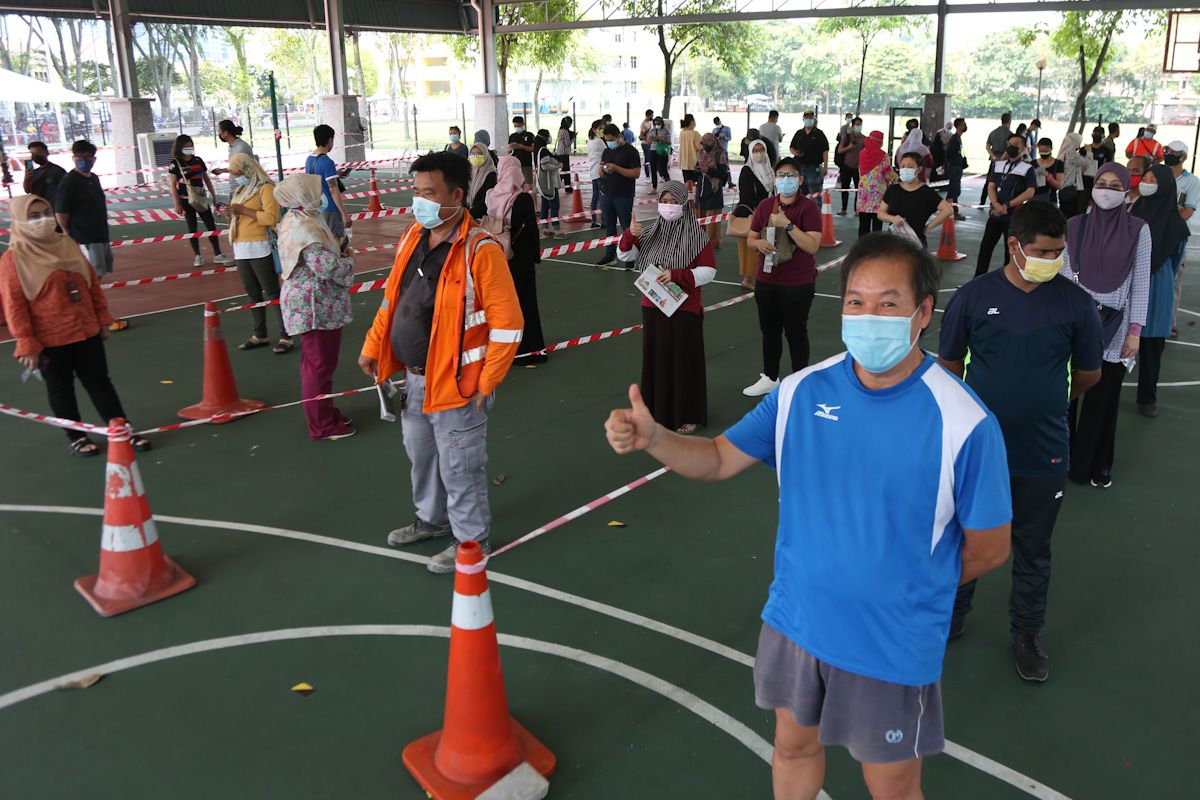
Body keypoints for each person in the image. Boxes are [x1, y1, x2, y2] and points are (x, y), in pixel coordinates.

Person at [605, 233, 1012, 800]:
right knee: (793, 748)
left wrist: (903, 586)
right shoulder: (799, 392)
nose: (869, 315)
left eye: (888, 303)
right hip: (797, 622)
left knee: (891, 785)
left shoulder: (965, 421)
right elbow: (720, 457)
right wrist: (656, 439)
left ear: (923, 313)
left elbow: (990, 547)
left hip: (891, 641)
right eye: (855, 301)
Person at [939, 201, 1102, 682]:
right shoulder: (973, 297)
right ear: (1014, 247)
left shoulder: (1076, 304)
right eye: (1044, 251)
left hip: (1043, 452)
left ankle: (1027, 636)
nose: (1054, 259)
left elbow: (1089, 375)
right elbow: (949, 365)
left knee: (1033, 549)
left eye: (1059, 251)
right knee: (963, 537)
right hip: (977, 450)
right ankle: (951, 616)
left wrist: (1043, 397)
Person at [359, 151, 524, 574]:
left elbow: (508, 325)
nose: (420, 201)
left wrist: (486, 383)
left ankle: (471, 540)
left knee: (460, 466)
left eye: (429, 193)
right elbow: (392, 302)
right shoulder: (413, 236)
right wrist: (375, 347)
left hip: (457, 385)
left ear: (456, 195)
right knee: (423, 456)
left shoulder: (479, 251)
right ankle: (431, 521)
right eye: (416, 192)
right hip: (416, 381)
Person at [0, 195, 151, 456]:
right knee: (61, 388)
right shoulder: (13, 260)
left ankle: (120, 428)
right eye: (34, 216)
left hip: (85, 330)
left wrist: (103, 318)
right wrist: (26, 342)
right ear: (20, 221)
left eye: (47, 213)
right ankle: (76, 437)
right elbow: (15, 306)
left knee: (100, 382)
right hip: (49, 339)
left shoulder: (67, 245)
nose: (44, 220)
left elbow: (91, 284)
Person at [1063, 163, 1151, 489]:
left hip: (1115, 327)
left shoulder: (1138, 230)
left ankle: (1097, 463)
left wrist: (1136, 332)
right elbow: (1061, 276)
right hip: (1074, 324)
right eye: (1102, 183)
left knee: (1103, 399)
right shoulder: (1074, 225)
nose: (1107, 190)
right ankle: (1062, 457)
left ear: (1127, 191)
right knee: (1066, 396)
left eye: (1116, 185)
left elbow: (1141, 283)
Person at [617, 180, 715, 433]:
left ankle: (688, 414)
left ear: (684, 205)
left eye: (674, 202)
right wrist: (629, 234)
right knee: (656, 359)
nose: (668, 206)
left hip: (684, 309)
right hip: (653, 306)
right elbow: (625, 256)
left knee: (684, 360)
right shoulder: (648, 232)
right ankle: (655, 412)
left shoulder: (697, 236)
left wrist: (678, 275)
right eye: (664, 201)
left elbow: (709, 271)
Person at [274, 174, 355, 440]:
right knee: (318, 366)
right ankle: (321, 424)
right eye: (315, 192)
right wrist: (349, 262)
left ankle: (326, 412)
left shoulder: (297, 219)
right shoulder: (304, 229)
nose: (321, 197)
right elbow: (326, 267)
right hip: (315, 305)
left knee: (318, 365)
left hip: (314, 303)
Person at [743, 157, 822, 397]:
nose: (785, 180)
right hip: (767, 280)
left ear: (799, 180)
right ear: (774, 180)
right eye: (781, 176)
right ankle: (770, 376)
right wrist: (759, 244)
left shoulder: (808, 208)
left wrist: (787, 224)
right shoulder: (765, 205)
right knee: (769, 331)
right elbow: (750, 238)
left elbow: (812, 246)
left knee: (796, 332)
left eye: (790, 176)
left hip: (797, 283)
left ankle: (800, 379)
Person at [1129, 163, 1188, 418]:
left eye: (1154, 179)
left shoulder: (1176, 224)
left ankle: (1147, 396)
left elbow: (1176, 260)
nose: (1148, 182)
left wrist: (1155, 272)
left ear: (1165, 185)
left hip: (1158, 286)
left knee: (1152, 344)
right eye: (1146, 177)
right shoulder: (1133, 211)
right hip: (1128, 281)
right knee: (1121, 338)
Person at [53, 140, 127, 332]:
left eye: (87, 157)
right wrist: (69, 235)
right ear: (73, 158)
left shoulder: (93, 178)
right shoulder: (69, 182)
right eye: (80, 157)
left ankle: (90, 316)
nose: (84, 161)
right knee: (88, 280)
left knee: (97, 277)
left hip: (100, 235)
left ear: (94, 158)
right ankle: (91, 317)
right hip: (83, 237)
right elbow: (61, 212)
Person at [224, 152, 288, 354]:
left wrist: (243, 211)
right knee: (252, 293)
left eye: (237, 172)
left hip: (261, 246)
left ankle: (286, 335)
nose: (235, 176)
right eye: (233, 173)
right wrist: (230, 214)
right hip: (241, 248)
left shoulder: (266, 188)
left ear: (246, 170)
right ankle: (260, 334)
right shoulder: (241, 190)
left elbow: (271, 217)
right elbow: (236, 218)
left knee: (272, 292)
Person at [487, 156, 547, 365]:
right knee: (525, 303)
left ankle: (504, 347)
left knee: (503, 304)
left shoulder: (492, 196)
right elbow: (531, 230)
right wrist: (535, 257)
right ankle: (529, 348)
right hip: (520, 257)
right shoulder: (522, 199)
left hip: (497, 255)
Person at [975, 133, 1036, 277]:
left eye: (1016, 145)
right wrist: (996, 204)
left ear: (1023, 148)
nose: (1012, 147)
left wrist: (1007, 205)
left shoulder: (1027, 168)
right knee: (985, 247)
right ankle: (978, 278)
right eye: (1010, 144)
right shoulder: (998, 164)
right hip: (995, 214)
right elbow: (991, 186)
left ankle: (1009, 279)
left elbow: (1030, 192)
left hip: (1013, 217)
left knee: (1010, 251)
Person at [167, 134, 228, 268]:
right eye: (186, 146)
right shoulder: (175, 163)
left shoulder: (198, 160)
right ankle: (197, 255)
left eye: (191, 146)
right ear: (180, 147)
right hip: (185, 200)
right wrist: (176, 203)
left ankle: (217, 253)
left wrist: (213, 195)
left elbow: (206, 178)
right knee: (192, 227)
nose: (189, 148)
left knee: (211, 225)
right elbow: (172, 184)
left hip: (200, 198)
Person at [878, 153, 953, 249]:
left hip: (916, 243)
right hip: (894, 242)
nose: (905, 169)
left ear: (919, 169)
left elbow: (948, 210)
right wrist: (891, 218)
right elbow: (881, 213)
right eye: (902, 166)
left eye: (910, 167)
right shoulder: (893, 190)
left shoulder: (926, 192)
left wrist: (929, 226)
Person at [1164, 140, 1198, 338]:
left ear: (1183, 157)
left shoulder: (1192, 182)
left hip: (1176, 237)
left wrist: (1171, 218)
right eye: (1166, 150)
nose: (1168, 154)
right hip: (1154, 234)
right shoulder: (1157, 176)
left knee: (1174, 279)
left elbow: (1188, 211)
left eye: (1172, 152)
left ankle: (1170, 323)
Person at [595, 124, 641, 267]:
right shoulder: (607, 151)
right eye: (606, 140)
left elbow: (636, 173)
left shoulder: (631, 151)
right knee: (609, 226)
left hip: (623, 194)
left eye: (611, 140)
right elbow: (601, 169)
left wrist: (616, 168)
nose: (609, 143)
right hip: (607, 193)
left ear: (618, 136)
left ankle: (629, 258)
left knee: (627, 227)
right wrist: (602, 171)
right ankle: (610, 255)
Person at [735, 139, 775, 290]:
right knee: (749, 249)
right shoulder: (747, 170)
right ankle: (747, 279)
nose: (759, 154)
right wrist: (762, 207)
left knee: (764, 247)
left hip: (767, 214)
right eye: (755, 151)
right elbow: (746, 194)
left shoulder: (769, 169)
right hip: (750, 214)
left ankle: (761, 276)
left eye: (761, 150)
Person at [305, 125, 352, 251]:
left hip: (317, 206)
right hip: (330, 208)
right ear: (330, 140)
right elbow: (333, 189)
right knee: (334, 243)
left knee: (321, 242)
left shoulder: (309, 160)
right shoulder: (327, 162)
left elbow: (317, 177)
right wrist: (344, 214)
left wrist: (336, 173)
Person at [855, 131, 894, 238]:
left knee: (863, 225)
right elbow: (889, 175)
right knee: (877, 225)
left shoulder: (862, 153)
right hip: (878, 195)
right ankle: (876, 248)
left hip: (864, 195)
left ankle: (862, 248)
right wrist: (898, 178)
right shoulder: (883, 156)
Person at [696, 132, 729, 248]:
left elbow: (723, 174)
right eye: (703, 143)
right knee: (702, 213)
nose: (704, 146)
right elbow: (698, 166)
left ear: (713, 143)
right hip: (702, 187)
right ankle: (701, 240)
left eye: (706, 143)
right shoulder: (702, 152)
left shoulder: (720, 154)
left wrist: (708, 170)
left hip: (714, 188)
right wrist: (698, 169)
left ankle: (713, 241)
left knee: (713, 214)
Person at [788, 111, 829, 197]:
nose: (808, 120)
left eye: (810, 118)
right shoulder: (799, 133)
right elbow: (792, 147)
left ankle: (816, 210)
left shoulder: (819, 133)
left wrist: (825, 166)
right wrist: (795, 152)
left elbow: (825, 151)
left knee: (815, 194)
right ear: (803, 119)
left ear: (814, 119)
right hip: (799, 166)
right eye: (806, 118)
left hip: (814, 167)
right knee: (800, 193)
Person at [534, 130, 564, 239]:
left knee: (545, 206)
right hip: (550, 183)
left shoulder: (538, 149)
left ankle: (545, 228)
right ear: (544, 138)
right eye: (548, 136)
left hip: (543, 184)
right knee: (555, 206)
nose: (549, 138)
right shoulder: (544, 151)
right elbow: (545, 166)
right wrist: (558, 166)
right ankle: (557, 230)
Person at [981, 113, 1013, 205]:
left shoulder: (993, 132)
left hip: (994, 160)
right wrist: (1003, 157)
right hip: (1004, 160)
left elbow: (987, 146)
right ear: (1009, 121)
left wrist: (994, 156)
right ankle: (999, 200)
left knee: (989, 180)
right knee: (1002, 181)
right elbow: (1009, 149)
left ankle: (982, 200)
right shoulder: (1010, 135)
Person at [836, 117, 864, 216]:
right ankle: (844, 208)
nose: (858, 126)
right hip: (846, 166)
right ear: (852, 125)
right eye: (857, 124)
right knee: (845, 188)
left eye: (860, 124)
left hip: (859, 168)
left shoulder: (864, 139)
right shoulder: (847, 137)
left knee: (859, 189)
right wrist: (849, 147)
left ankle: (857, 209)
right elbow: (840, 150)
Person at [1056, 133, 1089, 217]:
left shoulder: (1062, 153)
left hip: (1063, 188)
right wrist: (1088, 152)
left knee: (1063, 212)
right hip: (1071, 188)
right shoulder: (1071, 154)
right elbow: (1087, 162)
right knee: (1072, 213)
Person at [466, 140, 497, 222]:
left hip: (482, 217)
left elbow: (485, 201)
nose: (475, 156)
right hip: (468, 214)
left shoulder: (491, 174)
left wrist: (469, 214)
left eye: (479, 154)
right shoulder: (468, 172)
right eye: (472, 154)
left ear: (486, 155)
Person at [944, 118, 968, 220]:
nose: (964, 126)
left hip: (957, 166)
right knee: (954, 190)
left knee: (955, 190)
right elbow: (949, 153)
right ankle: (951, 211)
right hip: (955, 167)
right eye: (963, 125)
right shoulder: (955, 139)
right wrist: (952, 163)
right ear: (958, 126)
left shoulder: (958, 138)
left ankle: (950, 210)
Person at [585, 119, 606, 228]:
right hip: (600, 172)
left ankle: (594, 220)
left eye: (603, 128)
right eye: (600, 128)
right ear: (594, 129)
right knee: (603, 196)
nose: (602, 130)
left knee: (595, 196)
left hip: (593, 172)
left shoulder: (590, 140)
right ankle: (604, 221)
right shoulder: (599, 141)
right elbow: (608, 152)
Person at [1031, 137, 1062, 205]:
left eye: (1045, 152)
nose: (1043, 154)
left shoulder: (1058, 164)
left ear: (1051, 149)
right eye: (1041, 151)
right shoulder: (1032, 164)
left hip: (1050, 199)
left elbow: (1059, 185)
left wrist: (1048, 176)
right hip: (1034, 199)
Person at [507, 115, 536, 187]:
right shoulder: (512, 136)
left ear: (522, 124)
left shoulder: (529, 135)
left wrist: (521, 146)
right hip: (515, 163)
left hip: (526, 163)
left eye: (518, 126)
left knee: (528, 184)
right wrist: (510, 148)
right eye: (515, 126)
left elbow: (532, 149)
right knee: (516, 183)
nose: (517, 128)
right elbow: (509, 151)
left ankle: (528, 196)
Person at [646, 115, 672, 191]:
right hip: (653, 151)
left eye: (658, 123)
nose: (656, 125)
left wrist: (660, 139)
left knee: (663, 169)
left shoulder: (666, 131)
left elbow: (669, 142)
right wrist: (651, 139)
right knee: (653, 169)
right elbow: (648, 141)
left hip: (662, 151)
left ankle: (669, 187)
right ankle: (654, 188)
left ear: (661, 123)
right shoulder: (652, 131)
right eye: (655, 124)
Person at [678, 113, 702, 190]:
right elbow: (700, 146)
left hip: (683, 162)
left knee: (687, 182)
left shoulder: (682, 133)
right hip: (694, 162)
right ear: (692, 121)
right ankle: (694, 200)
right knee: (694, 183)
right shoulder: (694, 133)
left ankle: (687, 198)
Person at [554, 116, 575, 193]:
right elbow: (567, 143)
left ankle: (565, 186)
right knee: (566, 171)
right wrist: (573, 138)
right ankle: (558, 185)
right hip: (564, 153)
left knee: (564, 170)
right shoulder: (565, 131)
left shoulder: (560, 130)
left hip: (559, 152)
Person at [638, 109, 655, 179]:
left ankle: (651, 175)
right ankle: (647, 176)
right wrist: (648, 138)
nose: (653, 116)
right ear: (649, 115)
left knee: (652, 159)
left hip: (651, 143)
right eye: (652, 115)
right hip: (646, 144)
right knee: (647, 160)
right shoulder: (643, 124)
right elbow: (641, 136)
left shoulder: (651, 122)